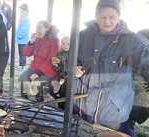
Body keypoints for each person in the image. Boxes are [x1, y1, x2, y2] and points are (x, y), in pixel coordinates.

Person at [73, 0, 149, 136]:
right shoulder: (83, 35)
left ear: (119, 17)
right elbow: (69, 57)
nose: (107, 21)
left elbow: (146, 64)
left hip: (114, 110)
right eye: (102, 17)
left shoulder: (130, 39)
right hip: (81, 106)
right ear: (96, 17)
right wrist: (74, 67)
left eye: (112, 17)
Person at [18, 20, 60, 102]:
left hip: (49, 69)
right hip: (35, 66)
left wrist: (38, 73)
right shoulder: (37, 39)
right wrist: (31, 42)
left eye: (40, 28)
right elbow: (26, 53)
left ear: (47, 29)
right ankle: (25, 100)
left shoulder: (54, 40)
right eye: (36, 27)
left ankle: (39, 102)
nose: (37, 30)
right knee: (22, 78)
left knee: (36, 83)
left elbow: (51, 60)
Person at [50, 35, 70, 109]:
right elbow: (58, 68)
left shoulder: (73, 54)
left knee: (64, 88)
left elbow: (73, 69)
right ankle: (56, 99)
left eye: (68, 44)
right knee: (53, 83)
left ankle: (63, 107)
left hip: (69, 75)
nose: (65, 46)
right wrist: (55, 65)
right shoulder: (60, 54)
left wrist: (65, 78)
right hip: (61, 73)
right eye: (63, 43)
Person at [16, 4, 30, 69]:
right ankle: (21, 64)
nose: (21, 11)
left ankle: (22, 65)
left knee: (22, 53)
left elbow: (24, 29)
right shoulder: (23, 18)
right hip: (21, 39)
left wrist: (19, 35)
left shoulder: (26, 19)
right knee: (21, 52)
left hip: (23, 39)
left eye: (22, 9)